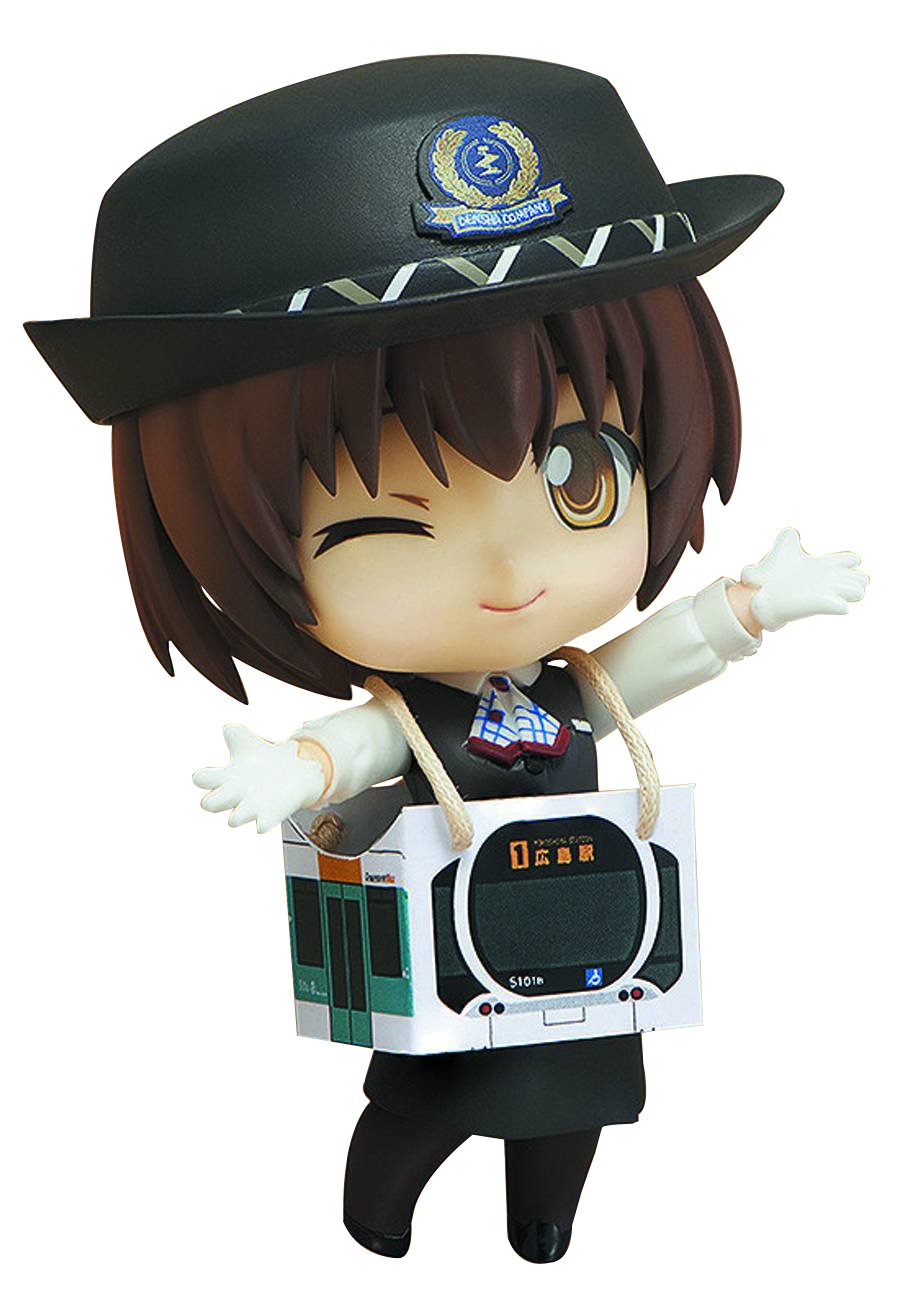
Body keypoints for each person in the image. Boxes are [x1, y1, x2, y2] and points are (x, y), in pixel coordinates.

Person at [25, 55, 867, 1263]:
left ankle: (545, 1219)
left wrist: (748, 606)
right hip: (450, 941)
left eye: (579, 477)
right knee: (434, 1091)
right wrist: (294, 770)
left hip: (592, 924)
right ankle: (381, 1209)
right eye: (390, 522)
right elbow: (357, 745)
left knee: (582, 1081)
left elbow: (651, 663)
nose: (510, 567)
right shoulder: (416, 719)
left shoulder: (571, 693)